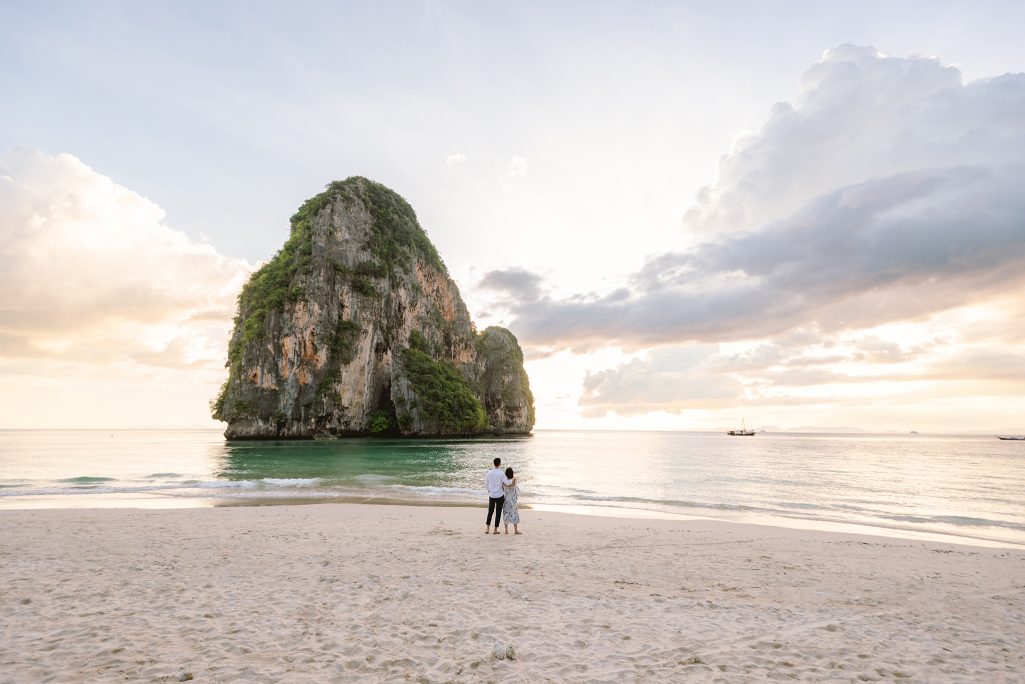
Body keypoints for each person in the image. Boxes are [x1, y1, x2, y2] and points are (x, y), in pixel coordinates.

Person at [484, 457, 511, 534]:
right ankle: (495, 530)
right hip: (500, 495)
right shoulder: (501, 473)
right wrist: (513, 479)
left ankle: (487, 529)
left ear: (494, 464)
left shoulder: (488, 473)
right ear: (499, 464)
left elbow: (486, 485)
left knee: (490, 512)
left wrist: (490, 491)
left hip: (492, 495)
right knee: (498, 513)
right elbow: (507, 483)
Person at [503, 467, 521, 535]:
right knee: (514, 513)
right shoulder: (514, 479)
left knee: (506, 513)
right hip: (513, 499)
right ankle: (515, 530)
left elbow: (504, 488)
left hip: (506, 498)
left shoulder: (504, 481)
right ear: (512, 473)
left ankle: (506, 530)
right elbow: (513, 485)